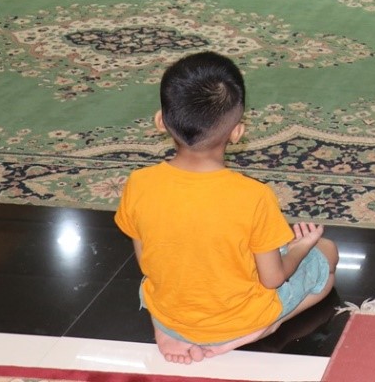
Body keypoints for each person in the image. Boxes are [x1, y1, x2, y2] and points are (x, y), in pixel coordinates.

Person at [115, 52, 339, 365]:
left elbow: (148, 264)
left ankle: (169, 329)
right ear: (237, 132)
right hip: (238, 319)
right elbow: (272, 280)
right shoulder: (253, 196)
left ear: (160, 120)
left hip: (171, 311)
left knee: (160, 278)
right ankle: (262, 328)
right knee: (327, 259)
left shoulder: (138, 183)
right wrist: (300, 248)